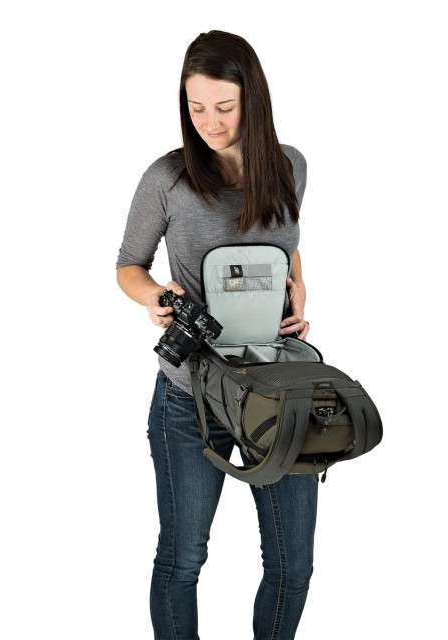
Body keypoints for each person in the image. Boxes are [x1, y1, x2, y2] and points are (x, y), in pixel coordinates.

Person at [116, 30, 316, 640]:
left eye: (224, 107)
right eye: (196, 107)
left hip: (277, 390)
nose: (209, 122)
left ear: (253, 99)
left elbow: (283, 241)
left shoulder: (290, 166)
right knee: (182, 560)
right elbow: (128, 265)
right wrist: (155, 297)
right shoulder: (167, 178)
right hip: (190, 396)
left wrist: (300, 286)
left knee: (293, 566)